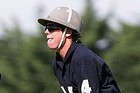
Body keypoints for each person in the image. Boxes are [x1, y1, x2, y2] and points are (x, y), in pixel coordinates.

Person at [38, 6, 121, 93]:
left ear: (68, 32)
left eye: (51, 27)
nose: (46, 31)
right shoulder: (57, 63)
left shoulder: (82, 59)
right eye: (46, 27)